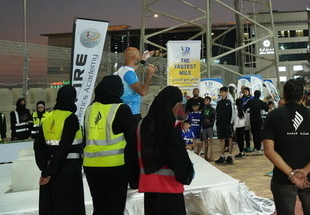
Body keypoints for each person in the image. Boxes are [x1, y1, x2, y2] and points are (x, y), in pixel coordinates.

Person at [263, 79, 310, 215]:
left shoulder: (273, 116)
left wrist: (291, 174)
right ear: (302, 96)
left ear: (284, 95)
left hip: (283, 177)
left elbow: (269, 150)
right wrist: (305, 171)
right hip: (309, 177)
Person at [83, 75, 137, 215]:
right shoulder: (121, 109)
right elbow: (132, 140)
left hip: (91, 165)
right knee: (115, 208)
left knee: (99, 206)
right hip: (115, 166)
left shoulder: (90, 108)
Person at [138, 86, 194, 214]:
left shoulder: (142, 125)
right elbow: (178, 156)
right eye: (178, 105)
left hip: (149, 186)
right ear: (172, 104)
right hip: (169, 186)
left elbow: (131, 153)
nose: (178, 109)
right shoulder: (171, 125)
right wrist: (187, 175)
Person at [34, 85, 85, 214]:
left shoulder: (47, 118)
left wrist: (45, 169)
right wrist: (49, 171)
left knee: (53, 206)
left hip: (51, 168)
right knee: (70, 206)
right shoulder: (70, 118)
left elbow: (38, 145)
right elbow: (64, 147)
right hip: (69, 170)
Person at [114, 47, 157, 123]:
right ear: (134, 57)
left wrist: (143, 59)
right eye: (139, 55)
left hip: (124, 111)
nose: (140, 56)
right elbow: (143, 92)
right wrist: (149, 74)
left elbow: (132, 69)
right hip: (132, 113)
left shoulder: (122, 69)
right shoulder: (129, 74)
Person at [244, 90, 269, 154]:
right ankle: (259, 148)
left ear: (254, 94)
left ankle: (255, 148)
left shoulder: (250, 101)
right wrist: (265, 102)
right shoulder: (260, 101)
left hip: (252, 119)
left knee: (254, 134)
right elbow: (266, 108)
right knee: (259, 134)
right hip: (258, 119)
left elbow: (244, 107)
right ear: (259, 95)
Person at [215, 86, 235, 164]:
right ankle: (222, 156)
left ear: (226, 92)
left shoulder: (229, 101)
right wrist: (217, 122)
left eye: (223, 92)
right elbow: (217, 113)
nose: (222, 93)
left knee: (229, 138)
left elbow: (233, 112)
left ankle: (230, 155)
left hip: (228, 123)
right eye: (221, 92)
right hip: (220, 124)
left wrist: (231, 122)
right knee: (222, 139)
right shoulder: (219, 102)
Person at [201, 96, 216, 161]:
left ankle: (211, 155)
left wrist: (210, 121)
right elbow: (202, 117)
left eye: (207, 100)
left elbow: (213, 117)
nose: (205, 101)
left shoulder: (212, 109)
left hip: (209, 127)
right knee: (205, 142)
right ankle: (205, 156)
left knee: (211, 141)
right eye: (205, 100)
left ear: (209, 101)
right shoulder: (203, 108)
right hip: (204, 126)